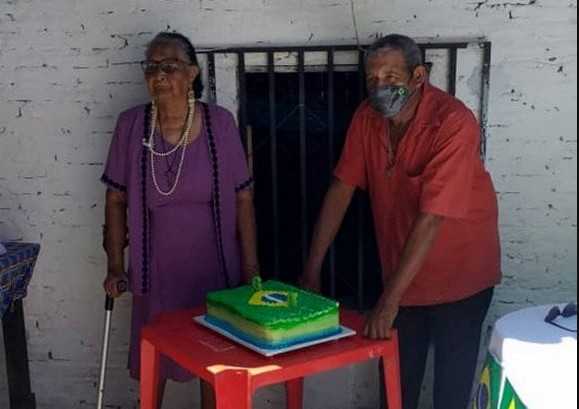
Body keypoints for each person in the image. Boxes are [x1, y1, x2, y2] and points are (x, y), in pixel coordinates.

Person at [301, 34, 501, 409]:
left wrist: (388, 302)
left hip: (462, 277)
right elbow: (341, 189)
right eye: (373, 79)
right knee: (395, 389)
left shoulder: (453, 122)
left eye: (391, 77)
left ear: (419, 76)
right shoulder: (367, 118)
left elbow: (431, 218)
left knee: (450, 393)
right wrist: (313, 269)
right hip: (402, 276)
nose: (380, 87)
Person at [101, 32, 259, 408]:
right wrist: (115, 265)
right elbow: (115, 198)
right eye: (151, 67)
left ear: (192, 73)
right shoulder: (131, 125)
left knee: (215, 361)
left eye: (169, 66)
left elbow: (244, 198)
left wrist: (252, 270)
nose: (159, 74)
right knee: (154, 357)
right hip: (156, 266)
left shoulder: (220, 124)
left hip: (215, 265)